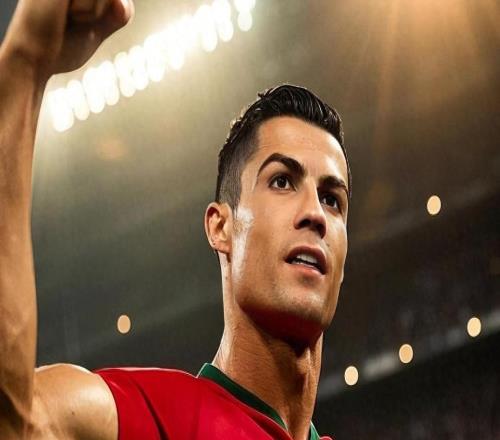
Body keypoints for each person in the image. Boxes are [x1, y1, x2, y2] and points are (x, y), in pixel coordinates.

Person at [0, 1, 351, 439]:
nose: (315, 213)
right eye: (282, 181)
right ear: (220, 227)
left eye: (332, 199)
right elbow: (16, 421)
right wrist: (25, 65)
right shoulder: (152, 413)